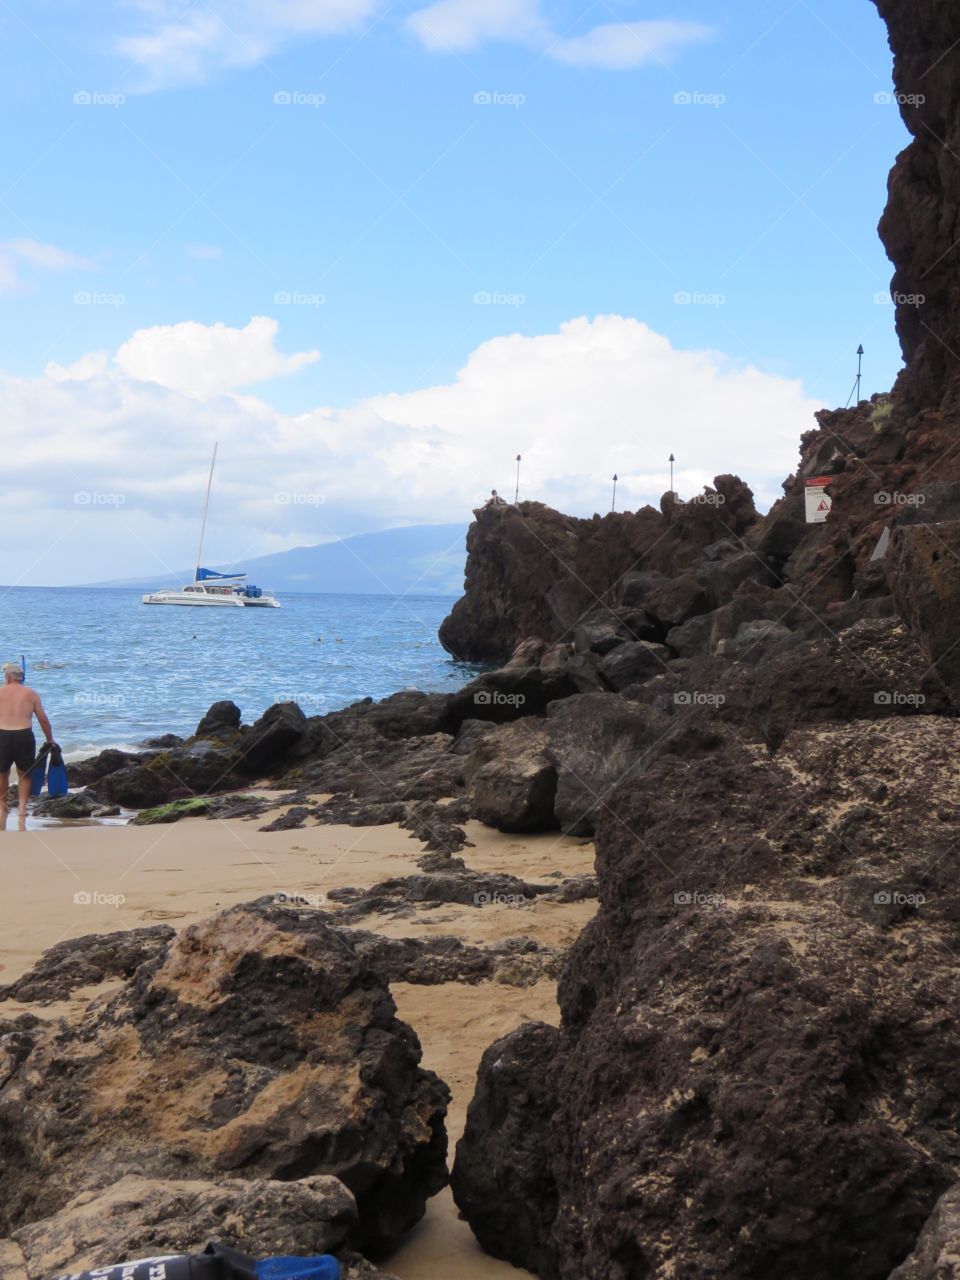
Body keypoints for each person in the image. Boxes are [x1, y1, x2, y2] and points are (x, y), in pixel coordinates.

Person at [0, 662, 53, 832]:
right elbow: (43, 719)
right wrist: (50, 739)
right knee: (25, 774)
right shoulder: (31, 694)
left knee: (2, 773)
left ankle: (3, 805)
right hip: (24, 736)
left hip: (3, 736)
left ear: (8, 676)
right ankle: (22, 807)